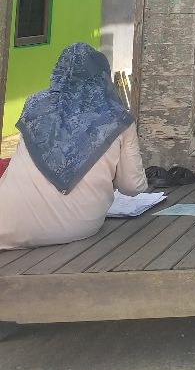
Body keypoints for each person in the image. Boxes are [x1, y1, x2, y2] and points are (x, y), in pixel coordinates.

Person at [0, 43, 148, 251]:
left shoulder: (34, 105)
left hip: (7, 221)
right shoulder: (119, 118)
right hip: (75, 226)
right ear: (103, 77)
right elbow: (133, 187)